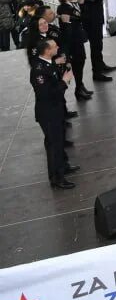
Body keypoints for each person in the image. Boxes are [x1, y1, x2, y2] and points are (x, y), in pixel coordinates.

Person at [31, 38, 79, 189]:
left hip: (55, 110)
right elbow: (47, 93)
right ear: (46, 50)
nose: (58, 46)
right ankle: (57, 178)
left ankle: (63, 166)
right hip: (48, 112)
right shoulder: (39, 70)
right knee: (54, 145)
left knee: (59, 141)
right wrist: (64, 81)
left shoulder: (48, 63)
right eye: (54, 46)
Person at [75, 0, 115, 81]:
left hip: (96, 18)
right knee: (95, 46)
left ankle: (100, 65)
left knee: (99, 44)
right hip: (91, 21)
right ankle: (96, 72)